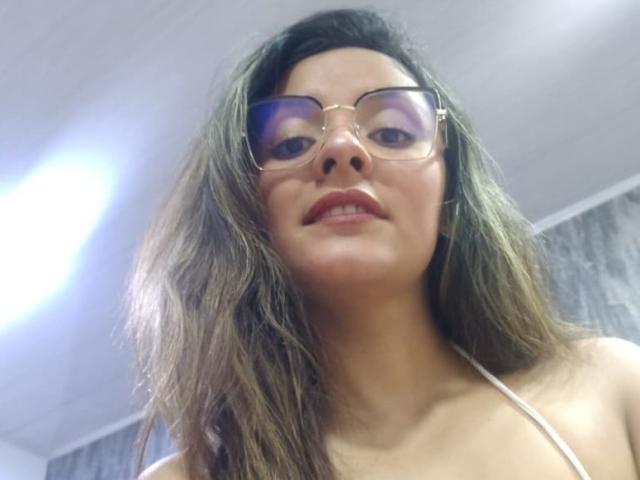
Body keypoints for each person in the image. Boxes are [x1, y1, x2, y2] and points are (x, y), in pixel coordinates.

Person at [129, 8, 640, 480]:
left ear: (449, 201)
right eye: (292, 142)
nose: (342, 147)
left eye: (391, 132)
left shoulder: (612, 388)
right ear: (245, 211)